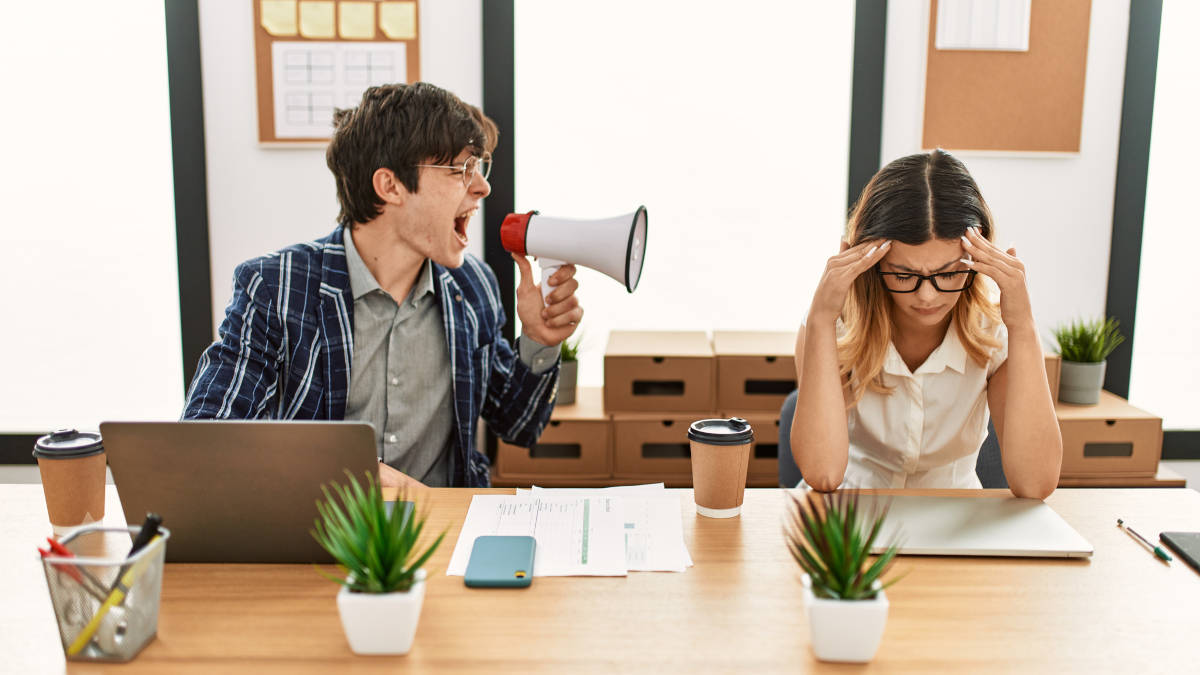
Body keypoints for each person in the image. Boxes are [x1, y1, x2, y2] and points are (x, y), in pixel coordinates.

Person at [183, 82, 582, 489]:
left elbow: (519, 426)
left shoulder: (472, 286)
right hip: (321, 540)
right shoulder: (275, 287)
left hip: (445, 539)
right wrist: (360, 474)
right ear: (390, 186)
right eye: (462, 169)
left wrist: (539, 340)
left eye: (481, 168)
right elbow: (209, 439)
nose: (482, 187)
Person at [791, 149, 1061, 498]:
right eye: (905, 274)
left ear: (977, 258)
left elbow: (1036, 484)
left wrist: (1022, 325)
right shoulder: (833, 325)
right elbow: (823, 474)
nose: (928, 296)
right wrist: (821, 319)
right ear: (870, 263)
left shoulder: (996, 329)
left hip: (956, 515)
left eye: (948, 273)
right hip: (852, 514)